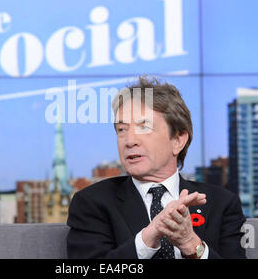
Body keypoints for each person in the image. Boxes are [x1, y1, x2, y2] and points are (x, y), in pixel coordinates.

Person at [66, 76, 246, 259]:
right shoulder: (92, 203)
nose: (129, 141)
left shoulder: (221, 204)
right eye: (122, 130)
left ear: (177, 140)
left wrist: (191, 244)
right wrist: (146, 240)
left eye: (144, 127)